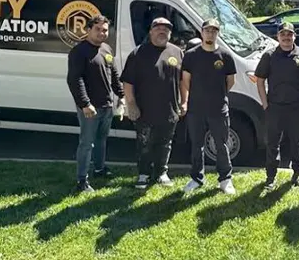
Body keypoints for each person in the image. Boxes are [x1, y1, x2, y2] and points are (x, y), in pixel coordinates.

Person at [120, 17, 184, 190]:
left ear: (170, 33)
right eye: (157, 28)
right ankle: (143, 174)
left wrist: (184, 102)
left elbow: (184, 81)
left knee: (165, 143)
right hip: (144, 110)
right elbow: (128, 82)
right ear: (150, 32)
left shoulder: (177, 52)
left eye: (166, 29)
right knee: (144, 143)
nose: (162, 31)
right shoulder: (138, 53)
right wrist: (131, 105)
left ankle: (161, 172)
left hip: (170, 109)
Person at [255, 21, 299, 190]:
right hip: (274, 108)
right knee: (272, 144)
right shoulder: (269, 56)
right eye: (283, 34)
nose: (286, 37)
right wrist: (265, 104)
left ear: (294, 36)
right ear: (278, 37)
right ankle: (270, 178)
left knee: (297, 143)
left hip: (297, 108)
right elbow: (260, 80)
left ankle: (297, 174)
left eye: (289, 34)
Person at [66, 14, 124, 192]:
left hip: (106, 105)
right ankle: (82, 181)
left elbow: (113, 74)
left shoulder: (106, 49)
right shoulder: (79, 51)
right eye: (97, 29)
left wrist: (121, 95)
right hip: (90, 108)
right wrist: (85, 104)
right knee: (87, 143)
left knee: (101, 140)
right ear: (88, 29)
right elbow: (74, 80)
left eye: (105, 30)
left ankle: (99, 169)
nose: (102, 33)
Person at [181, 18, 238, 195]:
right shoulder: (191, 55)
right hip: (196, 108)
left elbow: (230, 81)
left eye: (214, 31)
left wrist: (217, 96)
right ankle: (197, 178)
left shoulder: (225, 56)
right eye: (207, 30)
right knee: (197, 144)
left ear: (217, 34)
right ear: (201, 32)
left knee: (221, 144)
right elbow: (186, 81)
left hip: (219, 108)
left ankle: (225, 179)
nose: (210, 34)